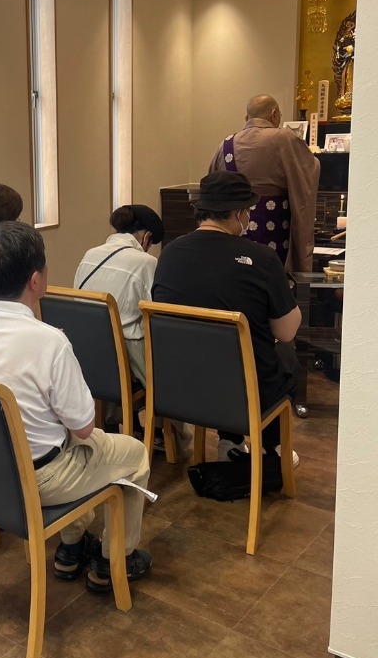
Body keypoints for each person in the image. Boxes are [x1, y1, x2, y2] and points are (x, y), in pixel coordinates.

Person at [0, 221, 152, 590]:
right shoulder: (50, 341)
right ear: (36, 280)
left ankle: (71, 548)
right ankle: (114, 561)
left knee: (68, 444)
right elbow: (83, 425)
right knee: (133, 454)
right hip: (38, 479)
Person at [152, 172, 302, 464]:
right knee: (285, 356)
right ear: (238, 213)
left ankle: (229, 443)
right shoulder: (261, 258)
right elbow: (286, 332)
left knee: (216, 352)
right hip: (242, 393)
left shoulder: (169, 253)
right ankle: (269, 448)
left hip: (178, 387)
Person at [208, 94, 320, 271]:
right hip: (273, 223)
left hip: (234, 226)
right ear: (274, 114)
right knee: (270, 273)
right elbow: (309, 168)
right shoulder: (284, 138)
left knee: (239, 273)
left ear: (246, 118)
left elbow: (211, 185)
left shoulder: (225, 144)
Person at [73, 204, 164, 385]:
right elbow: (156, 311)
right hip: (127, 351)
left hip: (88, 347)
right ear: (147, 237)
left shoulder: (90, 254)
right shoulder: (146, 262)